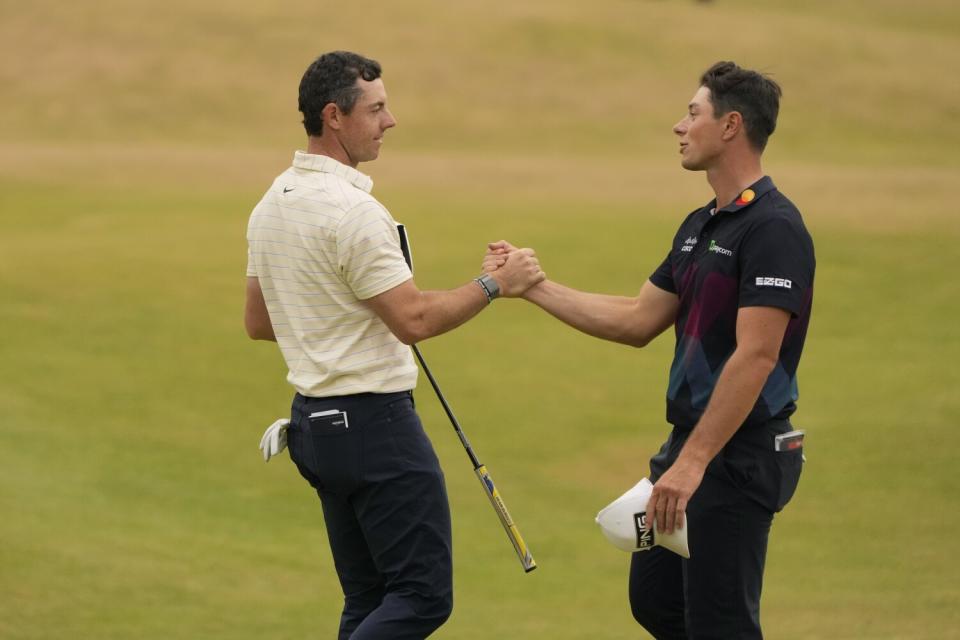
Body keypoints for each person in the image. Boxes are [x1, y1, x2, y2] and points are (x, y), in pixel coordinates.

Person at [486, 61, 815, 639]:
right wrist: (534, 287)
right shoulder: (701, 225)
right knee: (657, 601)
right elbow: (637, 320)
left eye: (693, 113)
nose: (679, 126)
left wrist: (693, 463)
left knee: (722, 625)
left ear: (732, 125)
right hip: (692, 447)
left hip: (737, 456)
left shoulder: (773, 229)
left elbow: (756, 357)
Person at [244, 51, 544, 640]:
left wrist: (338, 314)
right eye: (377, 108)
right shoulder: (355, 211)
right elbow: (413, 320)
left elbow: (261, 320)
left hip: (315, 427)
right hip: (374, 430)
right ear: (334, 116)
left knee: (368, 600)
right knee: (421, 597)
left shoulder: (271, 202)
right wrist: (495, 285)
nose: (391, 120)